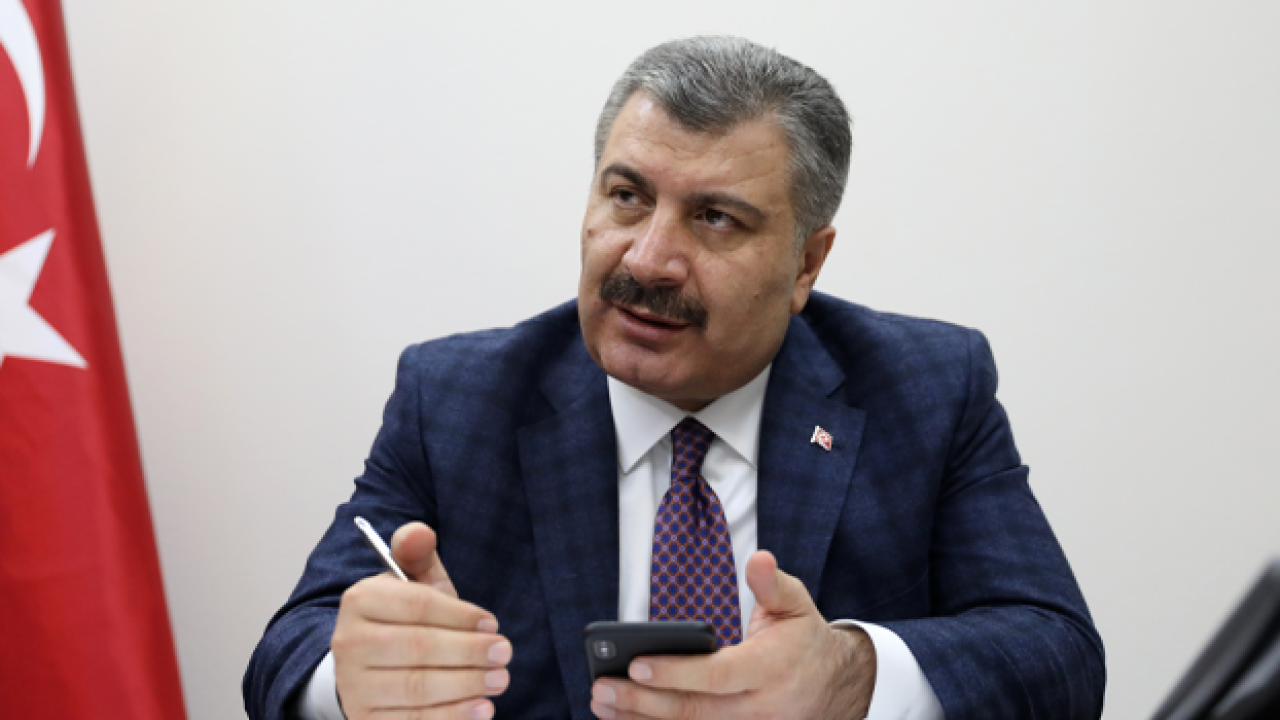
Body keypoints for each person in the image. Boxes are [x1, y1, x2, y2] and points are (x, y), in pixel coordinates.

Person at [244, 36, 1105, 720]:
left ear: (806, 264)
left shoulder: (925, 388)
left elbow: (1058, 653)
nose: (649, 260)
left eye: (716, 218)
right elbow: (289, 651)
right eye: (627, 196)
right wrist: (354, 681)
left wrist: (851, 676)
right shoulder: (457, 398)